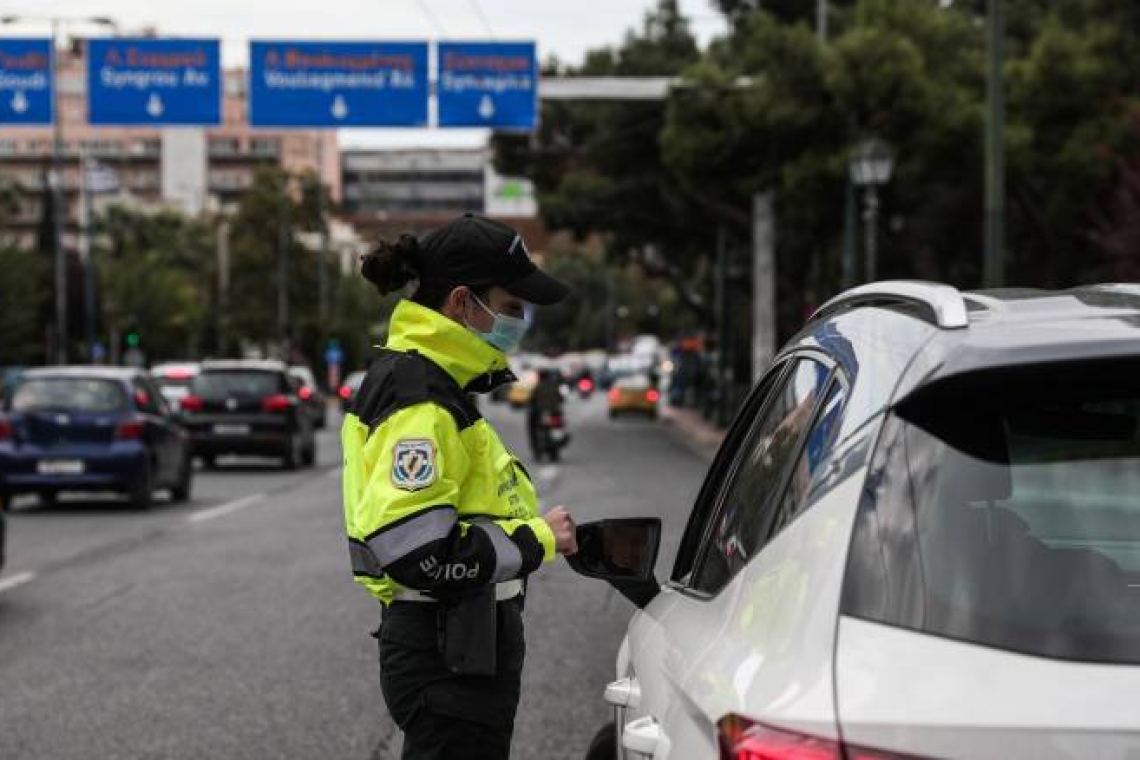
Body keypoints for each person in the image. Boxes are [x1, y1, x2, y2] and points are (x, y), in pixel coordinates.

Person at [341, 213, 579, 760]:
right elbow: (419, 552)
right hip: (447, 653)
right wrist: (539, 539)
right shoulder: (421, 397)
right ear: (462, 302)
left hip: (456, 646)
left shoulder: (432, 384)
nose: (520, 320)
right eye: (512, 306)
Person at [526, 367, 564, 458]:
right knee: (559, 426)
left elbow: (531, 399)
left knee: (532, 427)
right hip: (554, 412)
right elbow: (561, 399)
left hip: (541, 413)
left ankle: (536, 449)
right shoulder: (554, 386)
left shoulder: (538, 387)